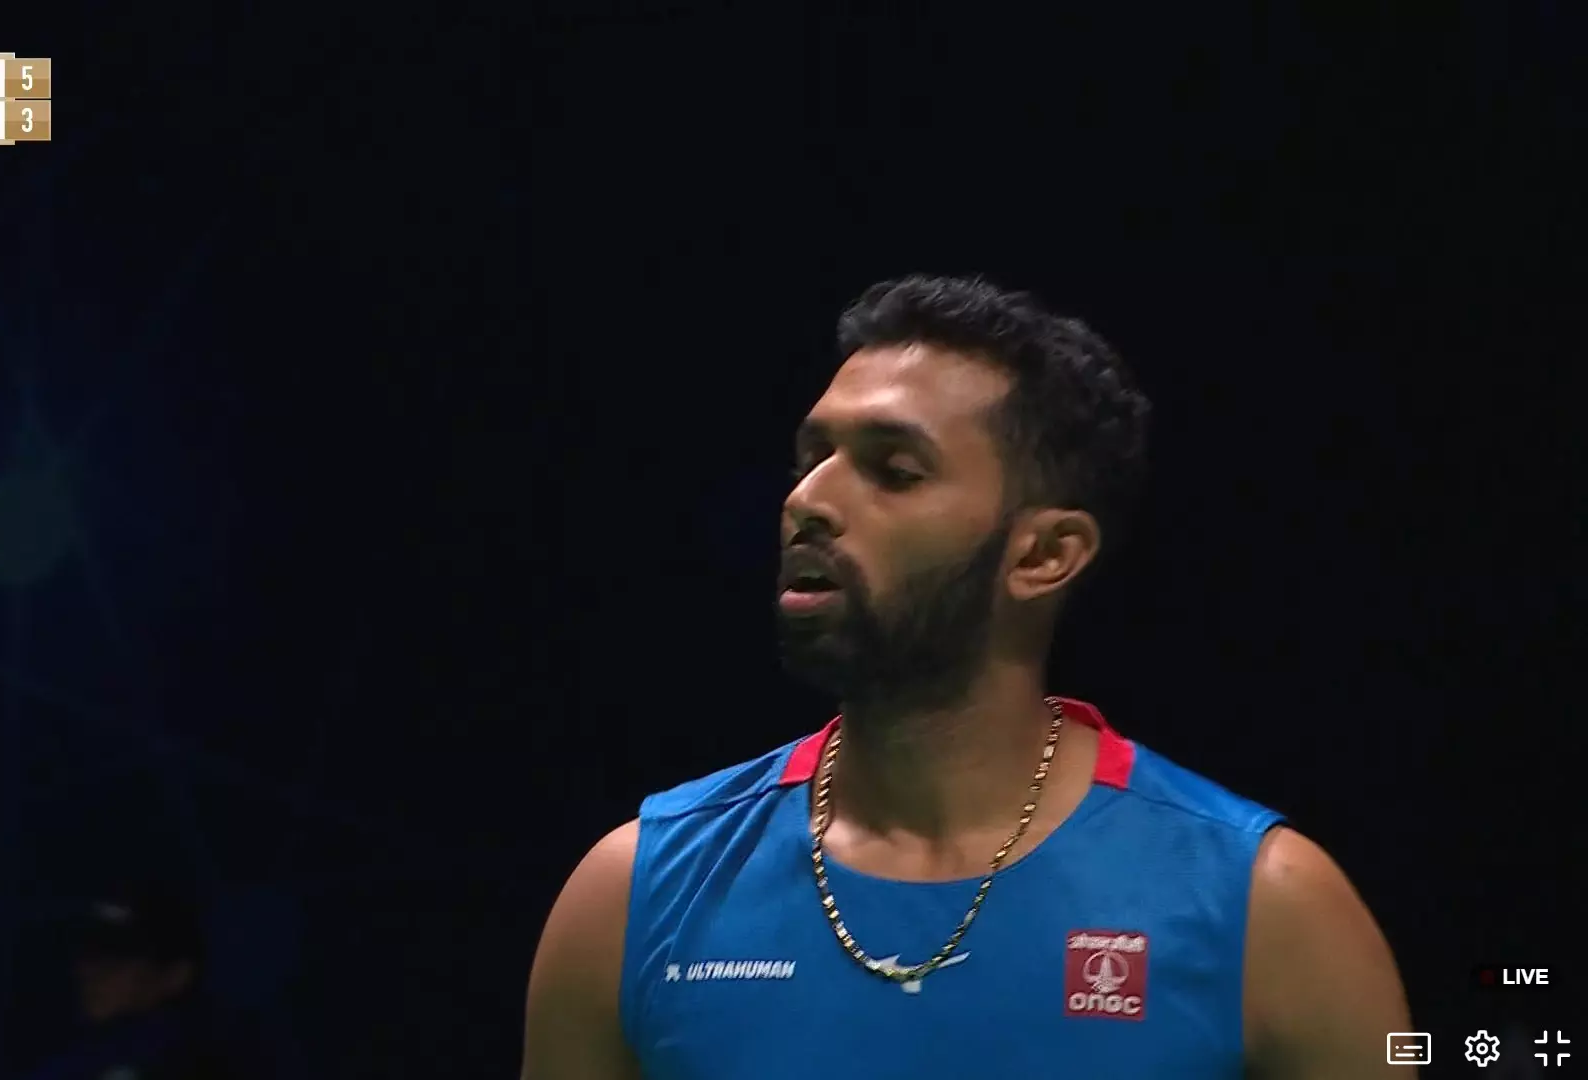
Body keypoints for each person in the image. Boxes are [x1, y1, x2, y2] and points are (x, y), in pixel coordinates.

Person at [521, 275, 1409, 1078]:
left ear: (1044, 554)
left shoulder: (1267, 909)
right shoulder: (636, 894)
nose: (807, 499)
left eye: (894, 472)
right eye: (811, 457)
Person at [22, 885, 245, 1080]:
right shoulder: (79, 1057)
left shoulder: (183, 1062)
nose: (91, 973)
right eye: (87, 955)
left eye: (116, 960)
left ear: (175, 975)